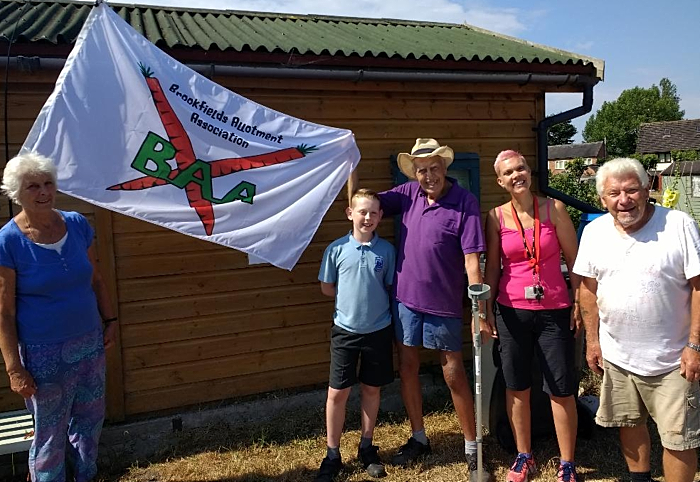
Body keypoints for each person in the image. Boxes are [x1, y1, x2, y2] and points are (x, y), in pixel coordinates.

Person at [349, 138, 492, 481]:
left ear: (445, 168)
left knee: (454, 374)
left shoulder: (465, 203)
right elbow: (364, 205)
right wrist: (348, 167)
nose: (428, 176)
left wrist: (479, 312)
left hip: (444, 303)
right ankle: (419, 437)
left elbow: (473, 262)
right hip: (405, 299)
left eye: (434, 169)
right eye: (422, 170)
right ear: (414, 173)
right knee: (408, 366)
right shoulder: (408, 194)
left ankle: (473, 449)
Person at [573, 157, 700, 482]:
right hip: (618, 357)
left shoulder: (679, 224)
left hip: (674, 359)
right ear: (602, 199)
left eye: (631, 190)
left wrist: (694, 344)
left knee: (678, 439)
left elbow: (699, 287)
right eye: (614, 193)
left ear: (647, 190)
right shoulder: (594, 232)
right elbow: (587, 291)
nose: (623, 199)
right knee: (629, 423)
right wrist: (592, 340)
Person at [0, 152, 117, 482]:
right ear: (16, 193)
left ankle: (85, 475)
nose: (43, 192)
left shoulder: (78, 225)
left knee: (90, 419)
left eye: (48, 183)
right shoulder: (8, 241)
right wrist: (14, 369)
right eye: (32, 186)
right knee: (50, 433)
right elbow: (5, 313)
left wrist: (110, 321)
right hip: (44, 355)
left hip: (90, 343)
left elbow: (95, 279)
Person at [484, 150, 581, 482]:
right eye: (508, 172)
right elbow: (493, 268)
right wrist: (485, 311)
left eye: (521, 168)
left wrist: (580, 302)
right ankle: (524, 455)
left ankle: (567, 462)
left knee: (561, 387)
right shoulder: (496, 216)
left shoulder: (554, 209)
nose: (516, 175)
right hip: (511, 311)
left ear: (530, 171)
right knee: (517, 385)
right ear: (500, 181)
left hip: (554, 310)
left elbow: (576, 262)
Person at [315, 188, 396, 481]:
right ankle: (332, 453)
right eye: (362, 211)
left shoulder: (386, 251)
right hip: (345, 332)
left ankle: (366, 446)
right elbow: (327, 288)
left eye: (374, 212)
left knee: (372, 389)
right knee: (338, 392)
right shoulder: (336, 250)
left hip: (378, 330)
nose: (368, 217)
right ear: (350, 213)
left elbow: (388, 285)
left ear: (380, 217)